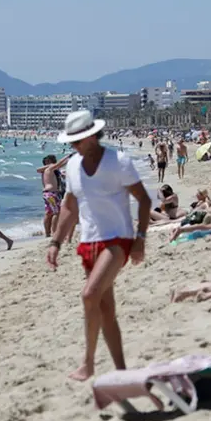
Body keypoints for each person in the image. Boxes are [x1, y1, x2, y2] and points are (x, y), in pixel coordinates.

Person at [47, 110, 151, 381]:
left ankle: (88, 364)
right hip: (88, 241)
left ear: (93, 136)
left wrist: (140, 239)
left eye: (79, 140)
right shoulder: (71, 166)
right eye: (72, 141)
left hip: (118, 239)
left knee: (89, 295)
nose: (74, 145)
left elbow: (144, 201)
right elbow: (69, 207)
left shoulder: (118, 162)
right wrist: (56, 241)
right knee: (106, 310)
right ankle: (121, 372)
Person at [37, 153, 73, 237]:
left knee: (48, 213)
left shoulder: (49, 171)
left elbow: (61, 170)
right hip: (52, 193)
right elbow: (61, 163)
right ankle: (53, 232)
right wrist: (68, 157)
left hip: (47, 193)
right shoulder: (49, 168)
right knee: (56, 213)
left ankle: (47, 233)